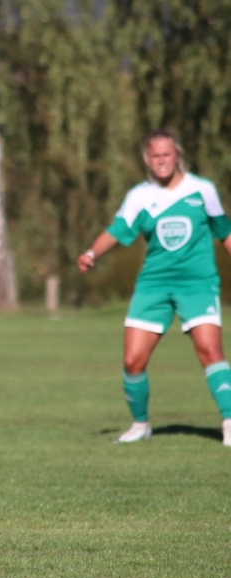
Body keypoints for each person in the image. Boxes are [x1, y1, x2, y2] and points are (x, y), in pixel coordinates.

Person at [77, 129, 231, 444]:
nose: (161, 160)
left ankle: (229, 421)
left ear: (177, 156)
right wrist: (92, 252)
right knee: (133, 360)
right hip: (154, 285)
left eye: (166, 154)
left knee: (210, 350)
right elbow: (118, 230)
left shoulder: (202, 190)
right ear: (149, 160)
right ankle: (140, 425)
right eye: (155, 155)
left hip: (197, 284)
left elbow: (224, 232)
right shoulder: (140, 196)